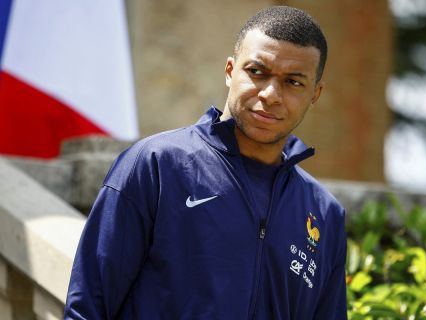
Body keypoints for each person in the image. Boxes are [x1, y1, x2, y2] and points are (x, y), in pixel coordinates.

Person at [64, 5, 347, 320]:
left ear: (315, 94)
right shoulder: (156, 165)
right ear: (229, 71)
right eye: (257, 71)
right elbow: (88, 308)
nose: (270, 94)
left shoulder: (324, 214)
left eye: (293, 82)